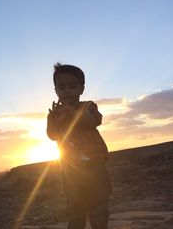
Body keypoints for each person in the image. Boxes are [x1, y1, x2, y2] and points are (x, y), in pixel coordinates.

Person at [47, 63, 112, 229]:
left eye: (72, 86)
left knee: (98, 206)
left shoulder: (88, 106)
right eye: (62, 87)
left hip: (95, 165)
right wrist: (51, 119)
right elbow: (52, 135)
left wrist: (72, 113)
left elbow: (93, 121)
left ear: (81, 89)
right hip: (70, 169)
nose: (67, 91)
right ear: (56, 91)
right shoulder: (56, 114)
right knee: (75, 208)